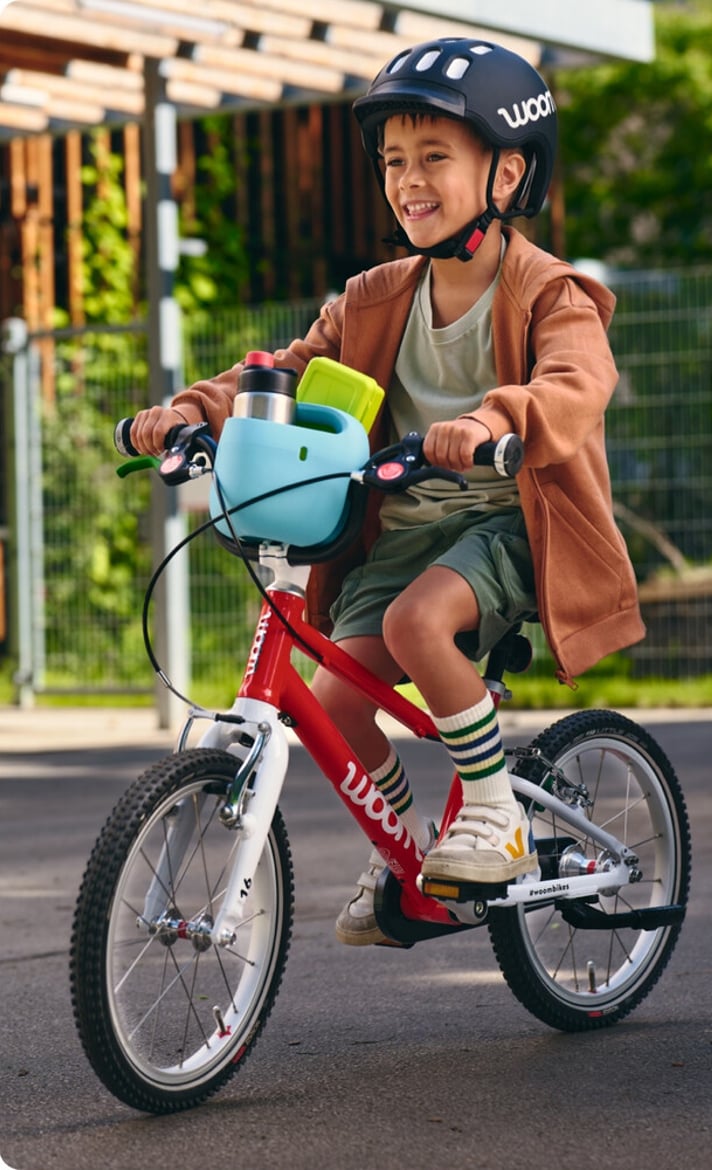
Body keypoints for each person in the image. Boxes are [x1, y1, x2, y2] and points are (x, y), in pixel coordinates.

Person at [128, 37, 646, 946]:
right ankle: (404, 851)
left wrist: (495, 421)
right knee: (332, 694)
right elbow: (279, 374)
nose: (408, 179)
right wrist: (185, 412)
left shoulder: (550, 293)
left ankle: (496, 814)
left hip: (512, 520)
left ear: (507, 172)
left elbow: (576, 383)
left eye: (435, 157)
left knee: (415, 627)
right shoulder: (371, 298)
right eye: (395, 161)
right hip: (405, 533)